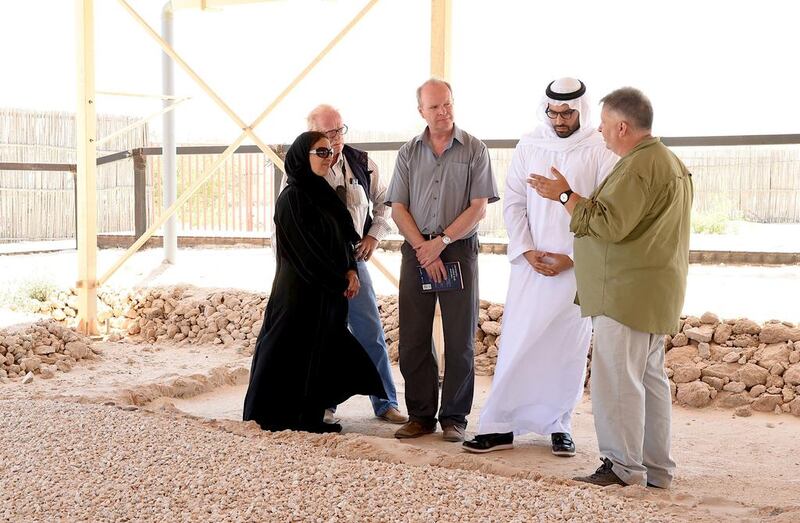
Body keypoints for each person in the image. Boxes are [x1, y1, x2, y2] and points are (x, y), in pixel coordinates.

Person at [529, 87, 693, 488]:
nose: (600, 133)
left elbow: (607, 223)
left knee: (617, 382)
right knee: (649, 382)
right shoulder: (669, 162)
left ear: (622, 126)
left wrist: (564, 195)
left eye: (603, 125)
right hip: (653, 294)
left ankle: (622, 468)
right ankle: (656, 470)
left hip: (625, 294)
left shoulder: (638, 167)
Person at [462, 78, 618, 457]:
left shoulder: (600, 149)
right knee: (519, 342)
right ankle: (499, 425)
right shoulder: (530, 144)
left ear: (581, 109)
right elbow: (514, 201)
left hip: (575, 267)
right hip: (531, 267)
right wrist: (528, 250)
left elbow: (605, 211)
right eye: (554, 112)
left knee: (566, 349)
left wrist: (575, 258)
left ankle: (558, 425)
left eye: (567, 113)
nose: (560, 119)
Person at [243, 131, 386, 434]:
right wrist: (341, 278)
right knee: (288, 353)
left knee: (320, 353)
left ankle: (310, 416)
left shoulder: (324, 194)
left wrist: (350, 270)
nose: (328, 157)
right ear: (301, 157)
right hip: (299, 294)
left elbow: (344, 237)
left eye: (330, 152)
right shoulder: (292, 198)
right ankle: (275, 418)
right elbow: (306, 253)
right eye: (320, 152)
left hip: (327, 296)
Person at [386, 78, 499, 442]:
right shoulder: (408, 153)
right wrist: (424, 246)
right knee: (414, 336)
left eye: (447, 104)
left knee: (460, 336)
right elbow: (398, 208)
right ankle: (420, 415)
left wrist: (443, 242)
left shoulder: (475, 150)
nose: (442, 112)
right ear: (421, 111)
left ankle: (454, 417)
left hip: (457, 250)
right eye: (434, 106)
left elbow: (479, 207)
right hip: (418, 249)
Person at [306, 104, 407, 425]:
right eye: (327, 132)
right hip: (317, 264)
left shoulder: (362, 163)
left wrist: (374, 236)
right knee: (321, 333)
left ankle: (386, 402)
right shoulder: (303, 166)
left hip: (354, 259)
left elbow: (384, 203)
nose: (335, 139)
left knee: (370, 331)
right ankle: (323, 404)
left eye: (339, 130)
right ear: (312, 133)